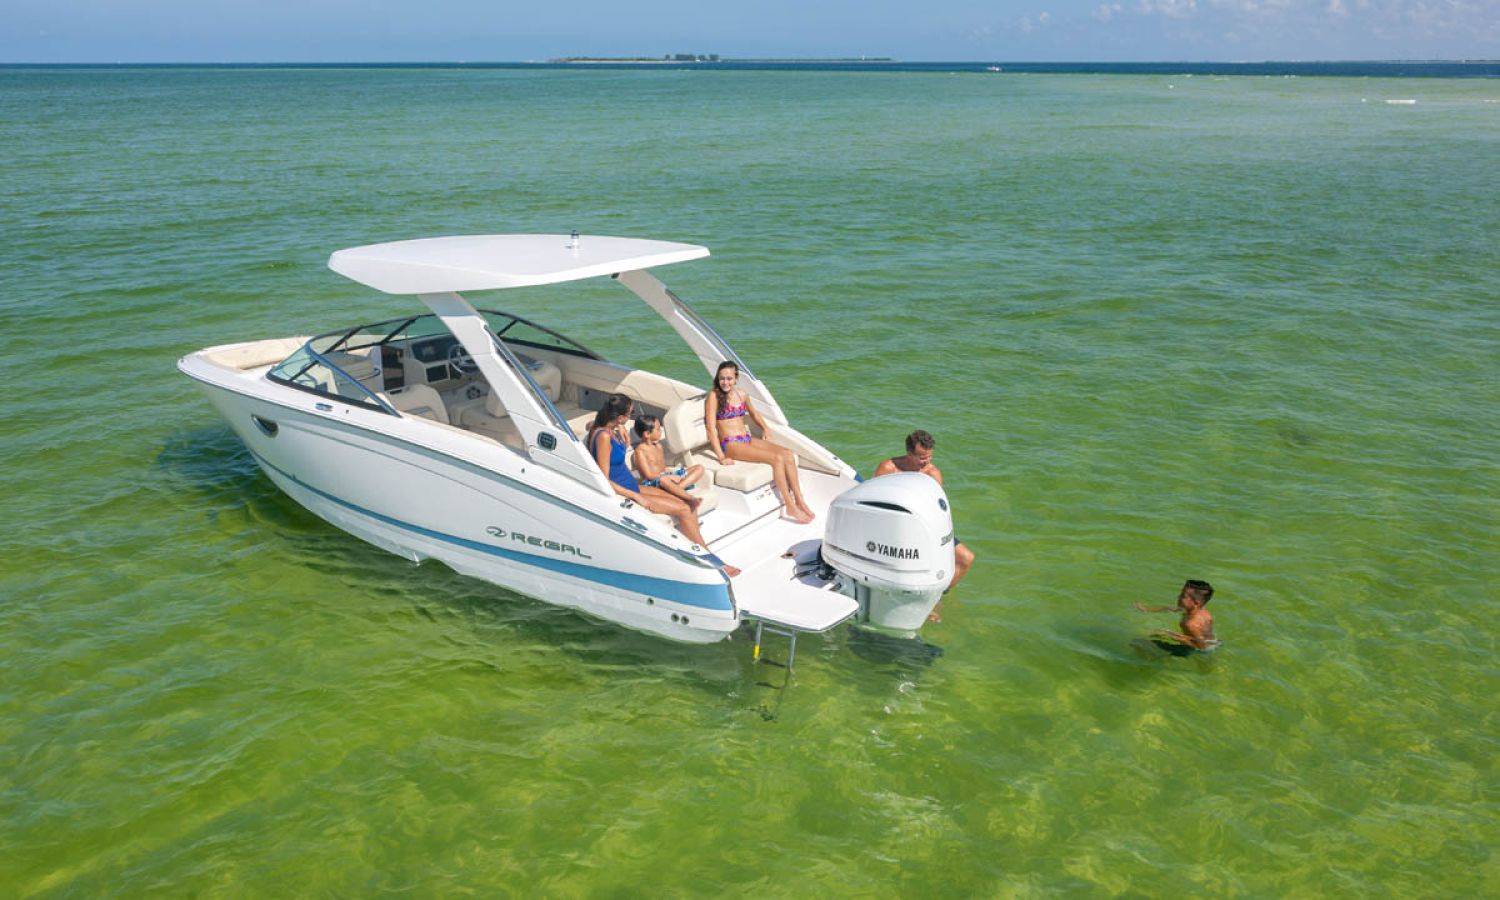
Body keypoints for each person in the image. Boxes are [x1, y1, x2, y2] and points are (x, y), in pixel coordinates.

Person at [588, 393, 739, 578]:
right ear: (619, 417)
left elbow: (591, 425)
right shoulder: (603, 436)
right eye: (631, 413)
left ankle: (695, 545)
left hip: (633, 485)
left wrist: (620, 428)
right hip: (625, 493)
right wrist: (636, 497)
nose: (632, 417)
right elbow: (603, 479)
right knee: (684, 509)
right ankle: (711, 559)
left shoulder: (608, 428)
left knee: (686, 502)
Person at [704, 361, 815, 524]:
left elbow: (754, 413)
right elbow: (711, 428)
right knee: (776, 458)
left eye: (729, 378)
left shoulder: (742, 394)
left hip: (745, 439)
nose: (725, 382)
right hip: (730, 444)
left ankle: (800, 500)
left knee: (788, 454)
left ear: (736, 378)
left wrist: (766, 429)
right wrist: (721, 457)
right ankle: (790, 506)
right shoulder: (713, 397)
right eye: (722, 378)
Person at [873, 430, 975, 593]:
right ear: (909, 453)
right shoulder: (889, 468)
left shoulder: (932, 474)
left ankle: (936, 596)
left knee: (966, 558)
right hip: (892, 526)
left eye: (929, 457)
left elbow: (936, 508)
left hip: (923, 526)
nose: (927, 462)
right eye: (922, 458)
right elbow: (874, 501)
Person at [633, 415, 706, 509]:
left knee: (699, 468)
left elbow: (663, 467)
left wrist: (672, 474)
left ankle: (676, 490)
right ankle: (688, 497)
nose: (661, 431)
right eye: (658, 429)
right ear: (647, 434)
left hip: (666, 478)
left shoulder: (659, 447)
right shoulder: (640, 451)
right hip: (653, 482)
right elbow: (648, 475)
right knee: (664, 480)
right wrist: (669, 477)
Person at [1136, 579, 1217, 654]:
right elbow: (1170, 609)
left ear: (1196, 603)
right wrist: (1147, 609)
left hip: (1195, 650)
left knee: (1138, 643)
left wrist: (1173, 635)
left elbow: (1202, 646)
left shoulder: (1190, 624)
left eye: (1183, 596)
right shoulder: (1201, 610)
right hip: (1213, 642)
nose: (1178, 597)